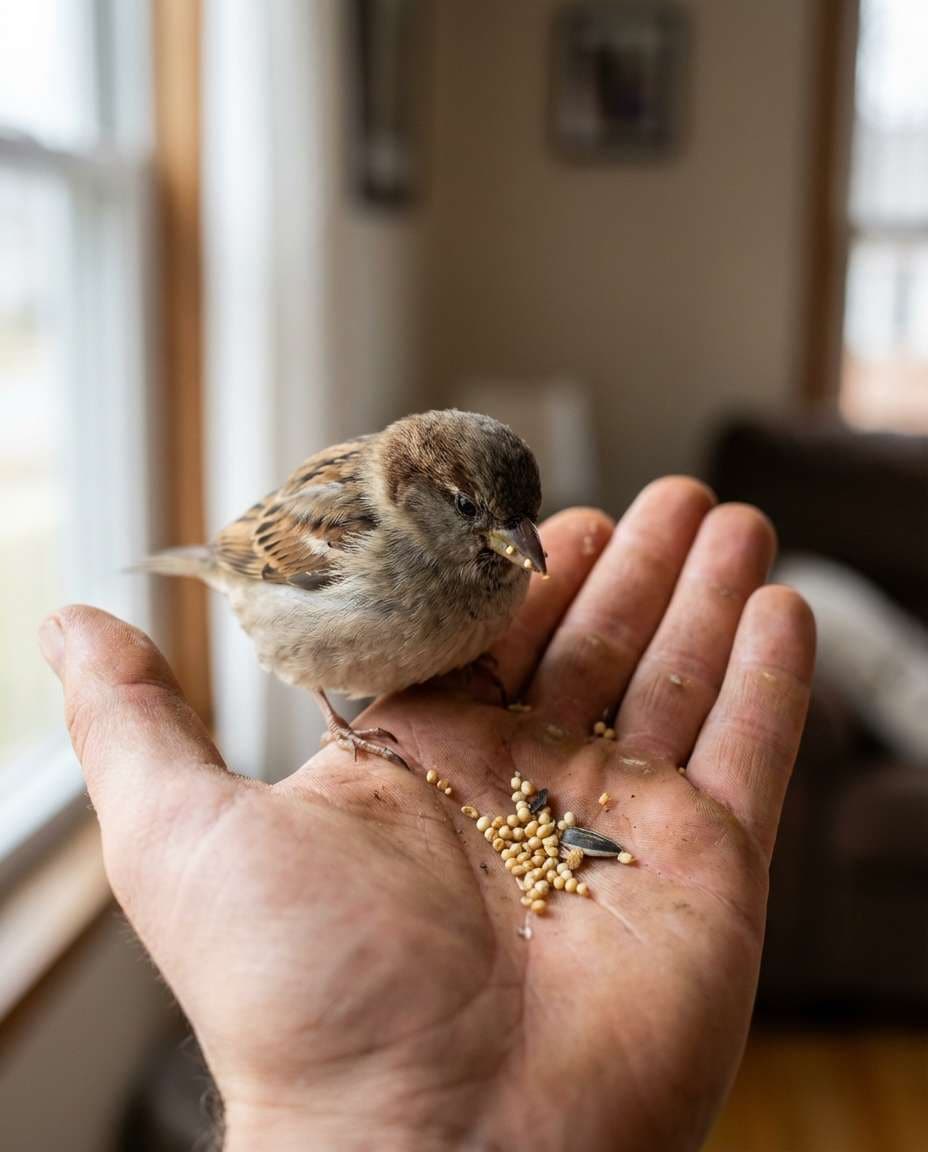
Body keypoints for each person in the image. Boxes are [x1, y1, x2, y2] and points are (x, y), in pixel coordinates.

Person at [39, 479, 814, 1151]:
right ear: (417, 491)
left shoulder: (505, 562)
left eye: (520, 518)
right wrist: (340, 724)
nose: (515, 539)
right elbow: (257, 566)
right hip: (281, 600)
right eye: (477, 510)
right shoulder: (350, 528)